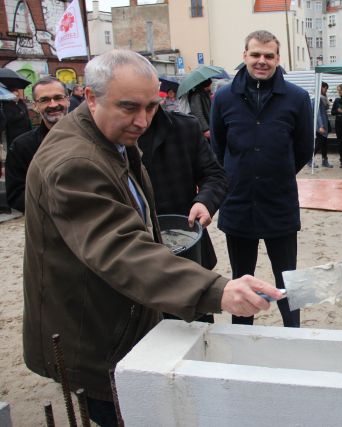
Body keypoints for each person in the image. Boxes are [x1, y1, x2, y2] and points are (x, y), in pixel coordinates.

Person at [22, 49, 281, 426]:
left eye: (151, 107)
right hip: (92, 334)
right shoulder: (75, 162)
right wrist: (216, 290)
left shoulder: (108, 135)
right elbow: (121, 247)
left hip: (117, 316)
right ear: (90, 97)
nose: (142, 121)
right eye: (129, 107)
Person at [210, 30, 313, 328]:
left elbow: (304, 148)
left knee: (287, 280)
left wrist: (275, 173)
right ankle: (242, 339)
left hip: (279, 202)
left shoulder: (296, 97)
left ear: (278, 59)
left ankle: (293, 334)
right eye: (255, 54)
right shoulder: (224, 97)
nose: (262, 61)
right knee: (241, 280)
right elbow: (218, 148)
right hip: (238, 203)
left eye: (269, 56)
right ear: (244, 56)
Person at [138, 104, 227, 322]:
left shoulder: (184, 127)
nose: (141, 118)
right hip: (138, 255)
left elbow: (215, 175)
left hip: (188, 247)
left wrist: (204, 202)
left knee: (197, 330)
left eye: (149, 104)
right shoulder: (109, 133)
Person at [5, 76, 69, 212]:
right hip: (49, 227)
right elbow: (16, 195)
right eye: (45, 100)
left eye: (58, 98)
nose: (53, 104)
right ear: (35, 105)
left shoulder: (90, 137)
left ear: (67, 100)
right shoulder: (22, 146)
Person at [310, 81, 333, 168]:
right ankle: (310, 159)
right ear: (321, 88)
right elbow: (317, 113)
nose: (326, 91)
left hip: (322, 123)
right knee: (319, 143)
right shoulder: (316, 98)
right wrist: (320, 126)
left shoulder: (321, 98)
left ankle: (324, 160)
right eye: (326, 89)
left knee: (324, 143)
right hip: (319, 124)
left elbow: (325, 108)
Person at [331, 83, 342, 168]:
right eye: (338, 90)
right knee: (340, 142)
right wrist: (338, 111)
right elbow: (332, 112)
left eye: (341, 90)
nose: (339, 92)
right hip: (338, 123)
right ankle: (341, 160)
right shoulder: (337, 100)